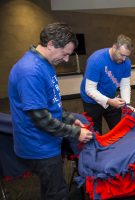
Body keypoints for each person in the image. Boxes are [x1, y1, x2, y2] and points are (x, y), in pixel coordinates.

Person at [8, 22, 93, 200]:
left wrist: (69, 119)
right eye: (65, 54)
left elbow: (50, 105)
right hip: (39, 146)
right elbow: (41, 119)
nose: (66, 59)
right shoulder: (30, 71)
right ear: (51, 44)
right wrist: (76, 133)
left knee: (51, 189)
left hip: (47, 140)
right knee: (57, 193)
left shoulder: (45, 64)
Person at [80, 34, 135, 134]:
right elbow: (89, 89)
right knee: (95, 134)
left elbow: (125, 85)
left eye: (126, 56)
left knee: (118, 131)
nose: (124, 59)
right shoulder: (96, 60)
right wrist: (109, 101)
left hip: (111, 98)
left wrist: (126, 104)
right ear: (114, 47)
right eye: (122, 55)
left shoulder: (126, 62)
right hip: (91, 101)